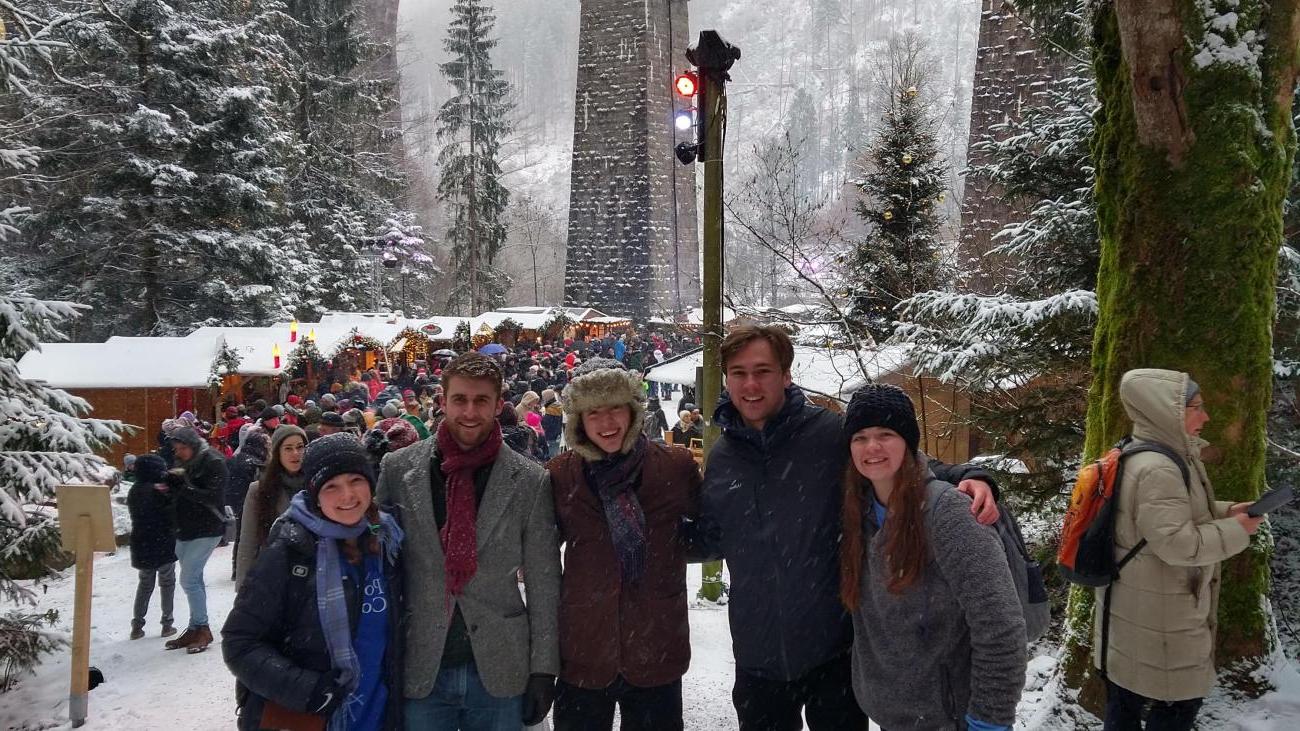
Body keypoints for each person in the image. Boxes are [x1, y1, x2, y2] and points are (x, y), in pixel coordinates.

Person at [692, 325, 1000, 731]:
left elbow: (897, 461)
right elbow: (713, 536)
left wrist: (973, 475)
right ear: (727, 378)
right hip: (757, 658)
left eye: (763, 371)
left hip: (834, 654)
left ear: (786, 375)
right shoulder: (723, 457)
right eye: (739, 372)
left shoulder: (828, 436)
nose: (751, 384)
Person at [376, 352, 560, 728]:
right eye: (460, 399)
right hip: (421, 662)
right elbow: (377, 565)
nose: (470, 412)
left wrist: (544, 668)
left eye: (481, 401)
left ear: (498, 405)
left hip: (499, 664)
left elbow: (544, 581)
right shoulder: (398, 469)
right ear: (442, 401)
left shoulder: (528, 480)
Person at [840, 384, 1027, 731]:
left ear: (909, 443)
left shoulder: (948, 512)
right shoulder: (857, 511)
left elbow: (1000, 624)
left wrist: (990, 720)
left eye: (886, 434)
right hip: (894, 716)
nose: (872, 447)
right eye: (860, 437)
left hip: (951, 717)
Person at [1096, 369, 1263, 731]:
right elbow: (1178, 546)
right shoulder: (1159, 468)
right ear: (1166, 410)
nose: (1206, 417)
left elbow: (1164, 517)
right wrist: (1238, 530)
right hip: (1163, 620)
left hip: (1135, 610)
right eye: (1196, 408)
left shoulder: (1139, 453)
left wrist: (1226, 511)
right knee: (1175, 709)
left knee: (1124, 704)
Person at [546, 359, 700, 730]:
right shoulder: (560, 475)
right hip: (584, 650)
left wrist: (667, 555)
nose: (607, 422)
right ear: (579, 420)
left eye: (615, 407)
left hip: (656, 648)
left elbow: (706, 532)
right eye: (594, 412)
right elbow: (541, 549)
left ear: (633, 410)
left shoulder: (674, 466)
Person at [222, 433, 405, 731]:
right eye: (331, 486)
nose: (347, 495)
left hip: (380, 715)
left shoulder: (389, 540)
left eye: (356, 480)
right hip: (313, 718)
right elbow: (239, 642)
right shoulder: (292, 552)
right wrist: (308, 690)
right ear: (314, 494)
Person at [162, 426, 229, 653]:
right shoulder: (182, 461)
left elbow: (213, 495)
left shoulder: (213, 461)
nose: (178, 452)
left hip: (207, 528)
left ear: (193, 446)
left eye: (182, 448)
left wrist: (184, 488)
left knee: (189, 580)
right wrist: (169, 488)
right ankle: (194, 627)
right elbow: (181, 491)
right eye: (176, 448)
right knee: (194, 580)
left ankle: (202, 628)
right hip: (185, 527)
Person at [235, 425, 308, 587]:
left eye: (300, 447)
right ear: (277, 453)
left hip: (312, 575)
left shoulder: (317, 485)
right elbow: (248, 542)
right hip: (274, 575)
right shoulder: (259, 490)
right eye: (288, 448)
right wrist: (243, 588)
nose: (296, 453)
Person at [128, 454, 178, 640]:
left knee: (145, 585)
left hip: (141, 543)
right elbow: (170, 513)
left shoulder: (135, 490)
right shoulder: (159, 490)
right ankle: (167, 623)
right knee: (167, 583)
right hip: (163, 542)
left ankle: (137, 625)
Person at [225, 428, 269, 582]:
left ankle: (236, 568)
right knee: (249, 534)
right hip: (247, 501)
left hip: (234, 500)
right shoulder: (257, 463)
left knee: (241, 535)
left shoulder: (235, 458)